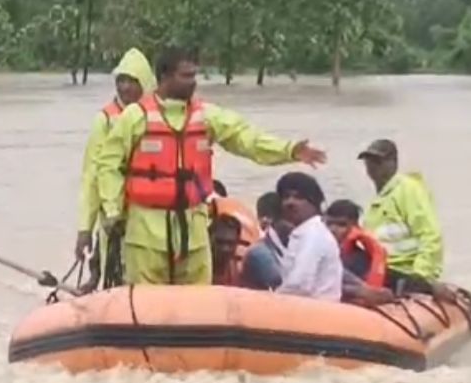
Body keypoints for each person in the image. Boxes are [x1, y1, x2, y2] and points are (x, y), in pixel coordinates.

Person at [94, 47, 327, 285]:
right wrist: (112, 211)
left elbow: (246, 139)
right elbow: (108, 165)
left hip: (193, 230)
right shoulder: (135, 117)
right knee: (145, 305)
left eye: (194, 76)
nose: (193, 83)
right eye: (186, 76)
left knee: (197, 301)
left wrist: (289, 150)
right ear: (164, 77)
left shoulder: (206, 116)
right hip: (146, 233)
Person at [74, 48, 155, 292]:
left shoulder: (156, 116)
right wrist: (84, 229)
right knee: (115, 274)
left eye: (132, 81)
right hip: (114, 217)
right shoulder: (106, 121)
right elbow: (91, 177)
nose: (125, 88)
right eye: (121, 81)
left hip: (150, 216)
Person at [357, 138, 452, 300]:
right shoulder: (378, 201)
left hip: (404, 272)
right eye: (369, 161)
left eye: (378, 161)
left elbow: (430, 234)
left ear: (393, 162)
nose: (372, 166)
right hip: (381, 271)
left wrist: (421, 275)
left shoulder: (407, 190)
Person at [275, 172, 343, 301]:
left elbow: (299, 285)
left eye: (298, 197)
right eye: (286, 197)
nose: (290, 202)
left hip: (317, 313)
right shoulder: (304, 232)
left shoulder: (313, 235)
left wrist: (270, 300)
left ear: (314, 203)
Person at [324, 200, 388, 289]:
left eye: (341, 225)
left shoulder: (362, 260)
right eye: (329, 224)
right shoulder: (313, 249)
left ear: (355, 227)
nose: (333, 230)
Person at [240, 192, 288, 291]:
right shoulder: (259, 253)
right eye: (290, 220)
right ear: (271, 220)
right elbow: (283, 285)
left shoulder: (293, 245)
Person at [209, 214, 246, 286]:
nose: (225, 248)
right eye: (219, 242)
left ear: (237, 242)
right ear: (209, 239)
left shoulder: (240, 272)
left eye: (230, 243)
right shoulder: (196, 271)